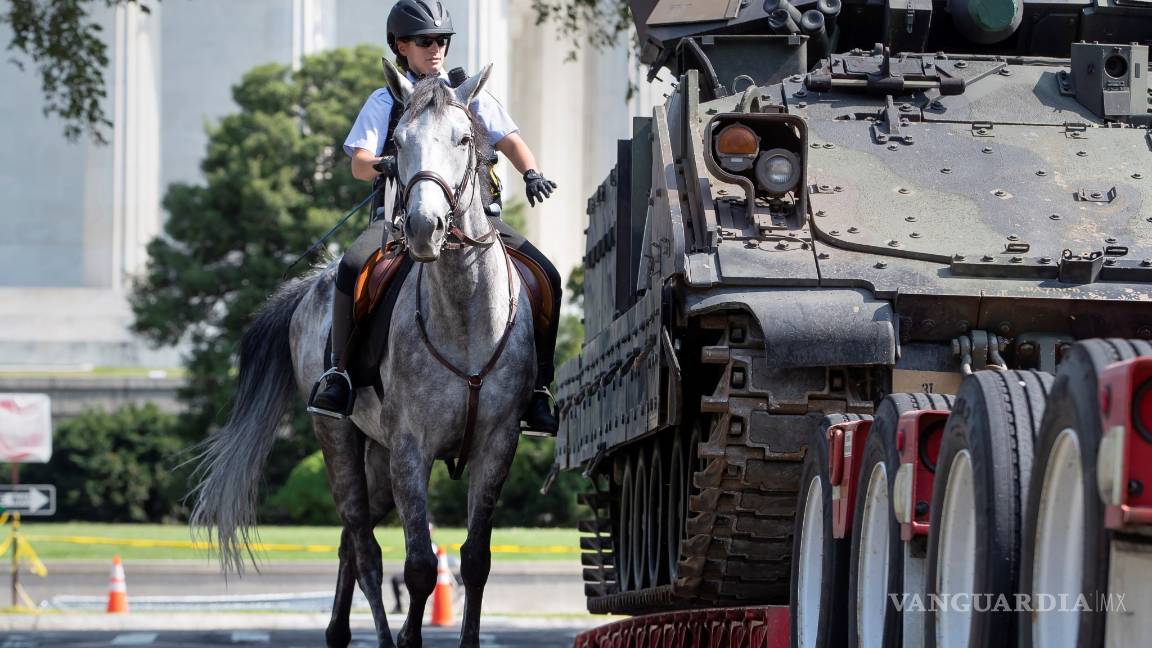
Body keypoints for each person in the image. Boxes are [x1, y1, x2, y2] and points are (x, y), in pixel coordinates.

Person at [308, 0, 562, 434]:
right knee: (352, 267)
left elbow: (511, 140)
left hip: (475, 221)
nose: (436, 49)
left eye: (442, 40)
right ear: (401, 46)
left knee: (548, 275)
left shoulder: (465, 92)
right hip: (399, 220)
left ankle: (537, 388)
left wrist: (532, 171)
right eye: (425, 41)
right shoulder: (385, 98)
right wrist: (383, 164)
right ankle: (341, 374)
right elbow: (359, 163)